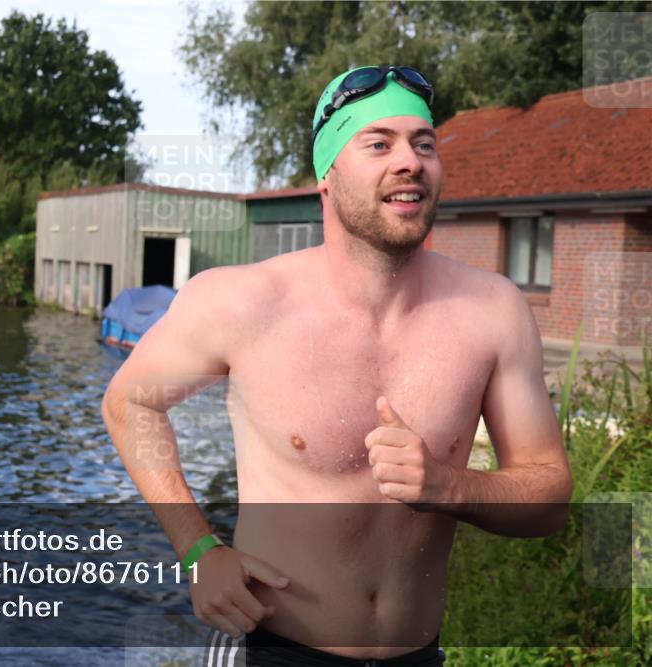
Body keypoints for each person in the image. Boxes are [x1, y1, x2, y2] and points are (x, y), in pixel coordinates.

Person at [102, 65, 573, 666]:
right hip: (277, 648)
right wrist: (197, 550)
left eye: (423, 144)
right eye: (379, 143)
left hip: (418, 655)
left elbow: (551, 499)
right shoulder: (241, 302)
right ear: (328, 175)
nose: (410, 160)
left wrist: (448, 485)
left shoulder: (493, 312)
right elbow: (130, 403)